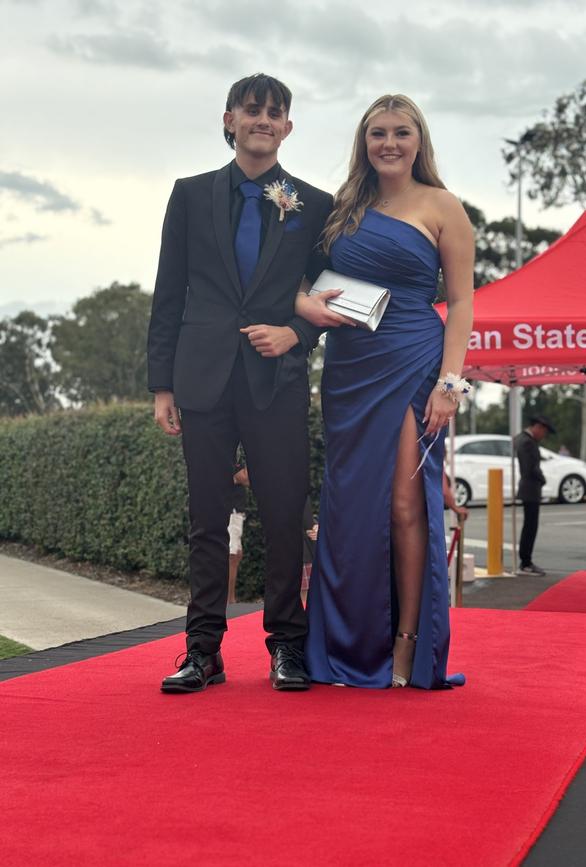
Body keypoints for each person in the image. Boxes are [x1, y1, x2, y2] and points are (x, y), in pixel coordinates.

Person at [148, 73, 333, 693]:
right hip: (200, 379)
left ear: (288, 126)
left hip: (276, 380)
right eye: (251, 110)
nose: (263, 120)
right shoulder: (191, 195)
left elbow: (328, 298)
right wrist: (161, 385)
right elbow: (169, 292)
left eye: (274, 112)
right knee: (206, 516)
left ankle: (286, 645)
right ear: (229, 120)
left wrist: (296, 336)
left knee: (284, 515)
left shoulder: (314, 204)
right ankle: (202, 651)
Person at [296, 94, 475, 689]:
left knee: (403, 506)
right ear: (364, 142)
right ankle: (349, 645)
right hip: (348, 367)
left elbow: (463, 301)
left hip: (411, 361)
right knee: (349, 509)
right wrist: (301, 306)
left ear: (419, 140)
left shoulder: (442, 205)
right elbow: (301, 281)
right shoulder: (344, 207)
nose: (389, 143)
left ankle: (407, 644)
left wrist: (450, 382)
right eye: (378, 133)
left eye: (401, 132)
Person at [514, 414, 555, 576]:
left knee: (530, 525)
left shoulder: (522, 439)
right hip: (530, 488)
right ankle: (526, 562)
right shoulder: (527, 443)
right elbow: (530, 467)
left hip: (529, 487)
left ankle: (526, 560)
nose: (543, 436)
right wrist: (542, 479)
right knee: (530, 526)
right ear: (537, 427)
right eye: (543, 432)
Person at [227, 464, 249, 604]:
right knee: (232, 556)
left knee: (236, 555)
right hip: (231, 513)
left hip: (236, 513)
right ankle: (229, 600)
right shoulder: (233, 458)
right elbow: (245, 478)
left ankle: (230, 598)